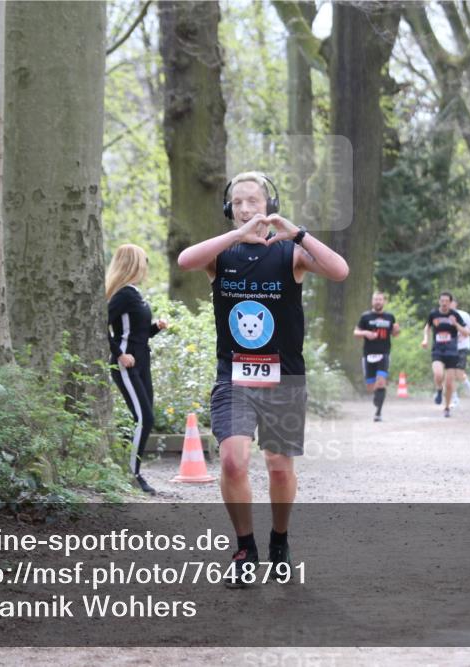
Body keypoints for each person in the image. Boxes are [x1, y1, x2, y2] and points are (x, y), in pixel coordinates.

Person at [177, 171, 349, 587]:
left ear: (268, 205)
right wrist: (235, 237)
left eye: (253, 200)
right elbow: (184, 260)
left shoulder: (291, 252)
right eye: (237, 202)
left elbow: (340, 271)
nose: (246, 209)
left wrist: (299, 233)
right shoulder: (222, 254)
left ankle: (280, 541)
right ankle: (244, 549)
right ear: (229, 209)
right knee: (234, 460)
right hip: (233, 376)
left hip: (284, 378)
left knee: (277, 466)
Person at [106, 244, 169, 495]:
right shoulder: (122, 294)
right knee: (145, 418)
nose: (146, 265)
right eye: (144, 260)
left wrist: (156, 327)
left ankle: (125, 466)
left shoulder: (135, 293)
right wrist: (120, 354)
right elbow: (101, 324)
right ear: (134, 263)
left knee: (143, 418)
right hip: (127, 365)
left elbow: (138, 333)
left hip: (143, 362)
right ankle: (133, 475)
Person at [353, 291, 400, 422]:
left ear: (384, 301)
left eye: (380, 299)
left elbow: (395, 333)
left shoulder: (390, 317)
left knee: (381, 382)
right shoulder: (366, 316)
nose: (378, 302)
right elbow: (356, 332)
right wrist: (366, 333)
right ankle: (377, 397)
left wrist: (397, 330)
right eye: (376, 299)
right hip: (368, 354)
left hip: (384, 353)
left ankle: (378, 413)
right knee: (370, 386)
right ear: (372, 301)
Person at [421, 292, 468, 418]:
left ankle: (446, 407)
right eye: (442, 300)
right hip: (437, 350)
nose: (444, 303)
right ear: (439, 301)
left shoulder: (455, 315)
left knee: (449, 383)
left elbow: (466, 333)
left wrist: (456, 324)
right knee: (438, 374)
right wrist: (425, 339)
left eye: (447, 301)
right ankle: (438, 390)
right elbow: (427, 328)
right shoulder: (433, 314)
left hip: (452, 351)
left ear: (450, 302)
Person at [450, 298, 470, 406]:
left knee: (459, 373)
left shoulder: (463, 315)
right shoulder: (443, 316)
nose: (449, 304)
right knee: (450, 373)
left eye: (451, 302)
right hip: (449, 348)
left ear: (455, 304)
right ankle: (454, 398)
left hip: (462, 347)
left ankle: (465, 382)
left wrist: (468, 333)